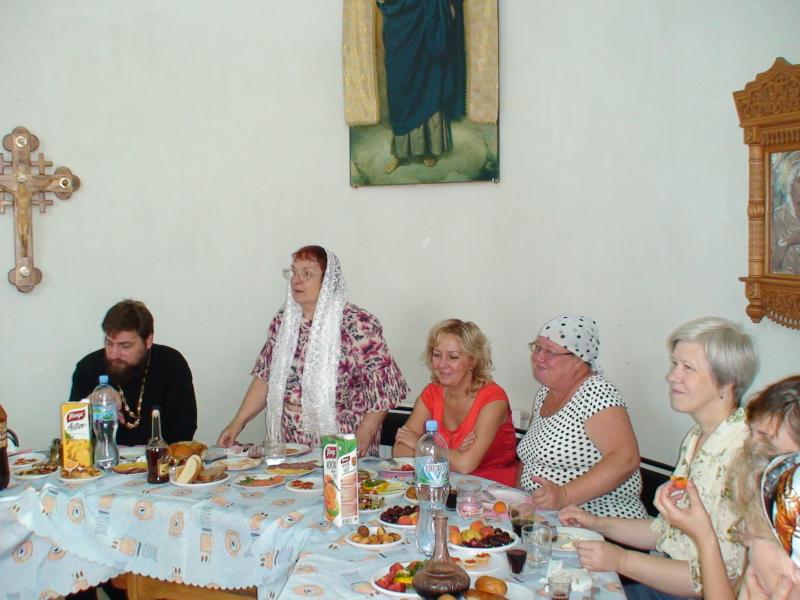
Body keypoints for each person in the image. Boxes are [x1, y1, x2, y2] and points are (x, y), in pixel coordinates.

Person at [559, 316, 759, 599]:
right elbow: (667, 532)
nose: (672, 376)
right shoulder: (698, 437)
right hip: (663, 584)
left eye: (688, 367)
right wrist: (595, 522)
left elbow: (715, 581)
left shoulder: (742, 454)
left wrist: (621, 560)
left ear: (727, 383)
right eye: (674, 364)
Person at [217, 245, 409, 457]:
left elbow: (384, 390)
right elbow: (265, 378)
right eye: (293, 272)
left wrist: (365, 432)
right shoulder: (284, 321)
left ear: (328, 281)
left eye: (306, 274)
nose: (296, 280)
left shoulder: (357, 324)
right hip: (290, 444)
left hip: (344, 442)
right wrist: (238, 423)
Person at [653, 375, 800, 600]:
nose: (748, 446)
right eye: (751, 432)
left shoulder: (786, 504)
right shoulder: (758, 489)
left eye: (766, 440)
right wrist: (704, 535)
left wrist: (704, 537)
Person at [516, 315, 647, 518]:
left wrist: (565, 495)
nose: (538, 357)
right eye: (537, 348)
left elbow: (625, 459)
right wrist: (518, 501)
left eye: (549, 351)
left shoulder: (596, 392)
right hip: (549, 517)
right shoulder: (545, 393)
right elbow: (529, 460)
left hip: (600, 519)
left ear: (578, 359)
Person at [392, 319, 519, 486]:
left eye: (453, 357)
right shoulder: (432, 392)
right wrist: (453, 456)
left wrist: (420, 444)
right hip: (442, 483)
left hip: (494, 490)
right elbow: (400, 450)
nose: (441, 364)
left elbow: (465, 465)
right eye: (437, 355)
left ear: (473, 361)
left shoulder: (493, 399)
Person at [69, 299, 197, 447]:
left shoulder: (171, 364)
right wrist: (89, 405)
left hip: (161, 459)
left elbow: (184, 433)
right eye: (109, 343)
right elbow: (74, 440)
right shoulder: (88, 368)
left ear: (148, 341)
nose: (114, 354)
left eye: (125, 346)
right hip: (106, 460)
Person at [377, 0, 466, 174]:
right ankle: (400, 152)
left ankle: (428, 148)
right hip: (400, 22)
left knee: (429, 82)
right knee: (399, 87)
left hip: (427, 19)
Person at [772, 154, 800, 274]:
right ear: (790, 183)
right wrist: (789, 242)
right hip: (785, 279)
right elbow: (771, 264)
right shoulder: (777, 217)